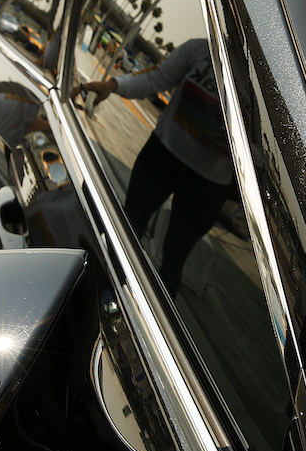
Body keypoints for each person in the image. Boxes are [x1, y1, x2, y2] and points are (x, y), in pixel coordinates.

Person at [75, 38, 232, 295]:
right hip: (162, 158)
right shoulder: (201, 49)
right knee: (126, 233)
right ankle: (98, 293)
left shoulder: (262, 79)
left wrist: (230, 148)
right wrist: (112, 85)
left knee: (171, 265)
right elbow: (155, 78)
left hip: (207, 185)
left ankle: (146, 315)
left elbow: (266, 150)